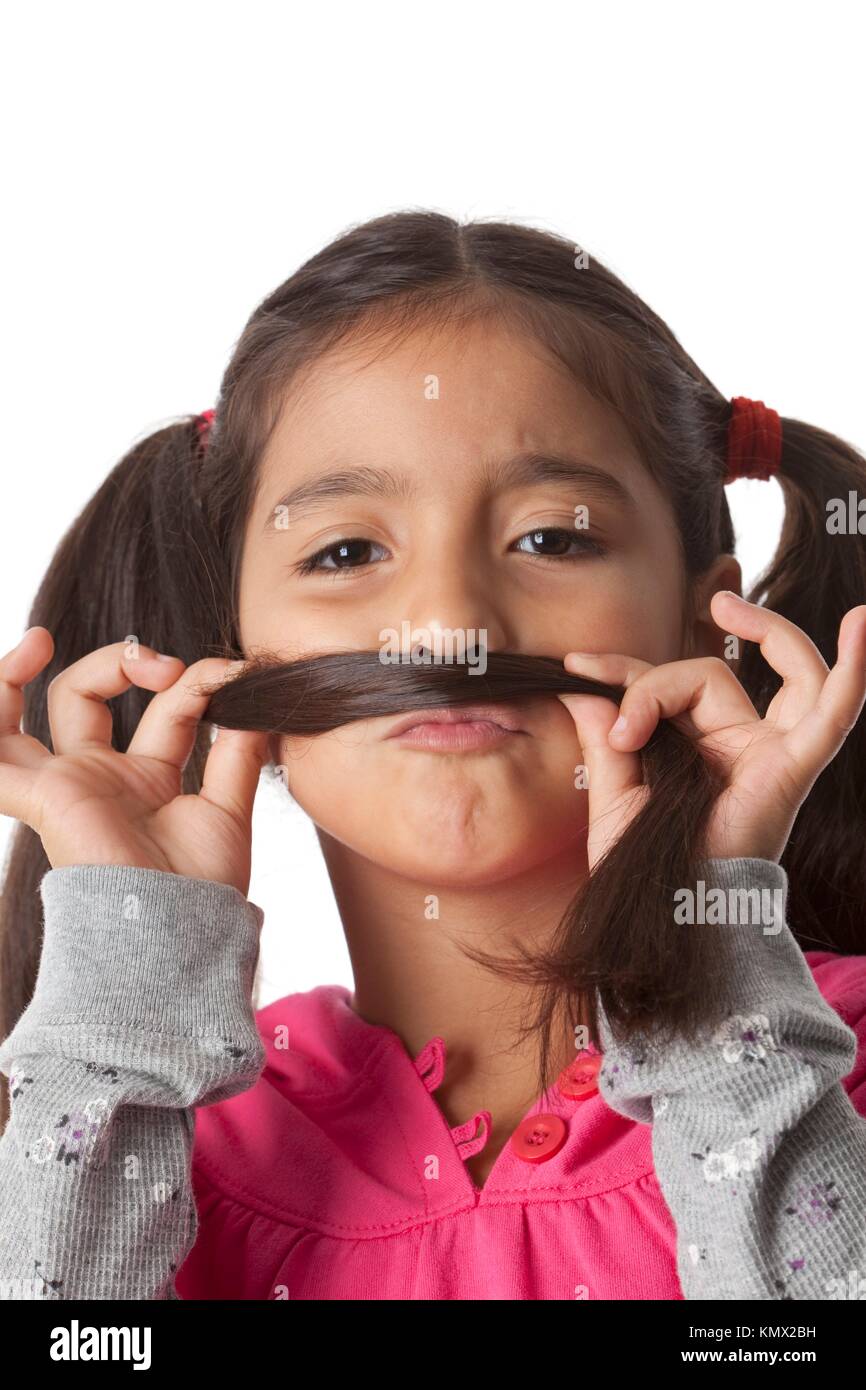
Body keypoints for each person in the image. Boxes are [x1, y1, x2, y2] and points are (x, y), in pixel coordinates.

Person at [1, 210, 865, 1300]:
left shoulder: (808, 1072)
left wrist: (710, 970)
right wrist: (125, 967)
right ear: (228, 654)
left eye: (552, 537)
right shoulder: (151, 1136)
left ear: (703, 630)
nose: (446, 622)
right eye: (346, 550)